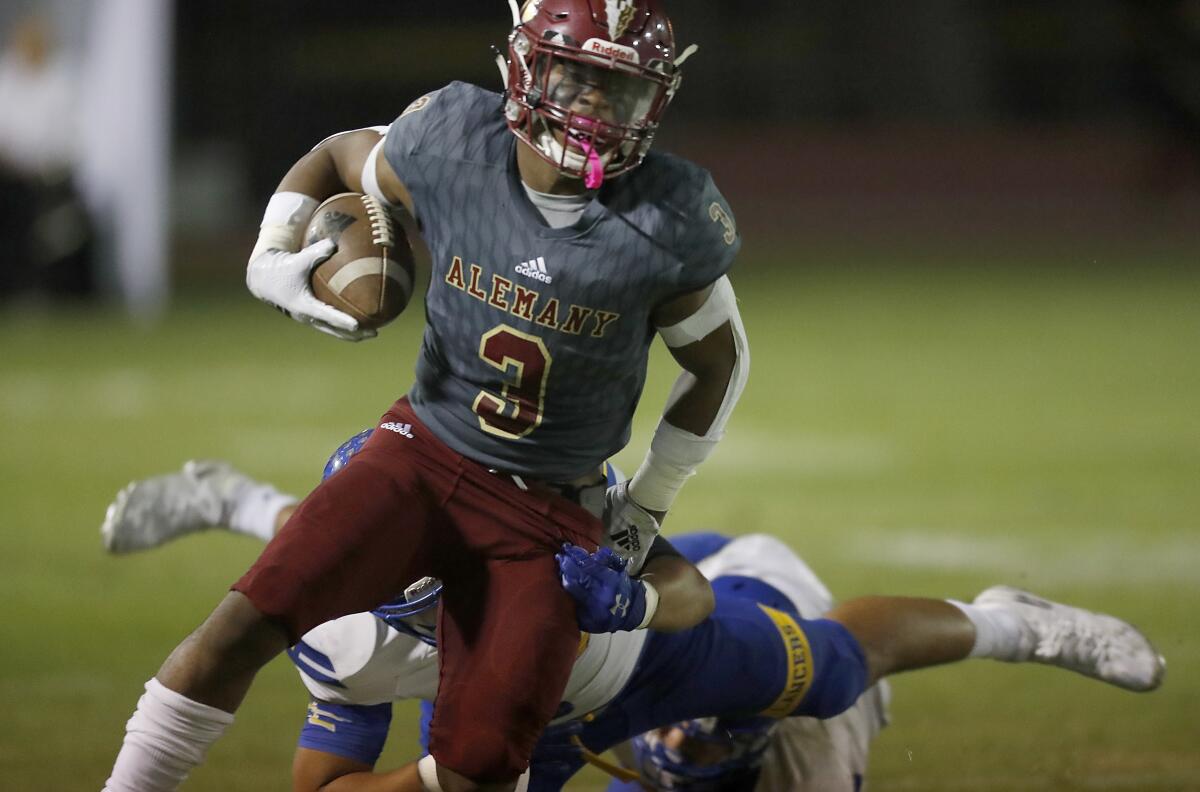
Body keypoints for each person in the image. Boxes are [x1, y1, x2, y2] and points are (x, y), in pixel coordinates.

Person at [103, 4, 748, 789]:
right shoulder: (454, 143)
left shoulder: (666, 219)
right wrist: (271, 257)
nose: (593, 107)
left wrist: (646, 508)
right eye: (576, 76)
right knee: (238, 629)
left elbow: (720, 365)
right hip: (423, 452)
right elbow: (339, 156)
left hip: (551, 511)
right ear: (524, 68)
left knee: (483, 767)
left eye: (618, 89)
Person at [102, 440, 1165, 792]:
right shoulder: (339, 628)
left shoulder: (527, 500)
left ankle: (1014, 624)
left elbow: (690, 594)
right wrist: (438, 780)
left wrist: (636, 597)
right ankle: (236, 497)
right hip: (523, 725)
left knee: (832, 673)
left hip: (638, 658)